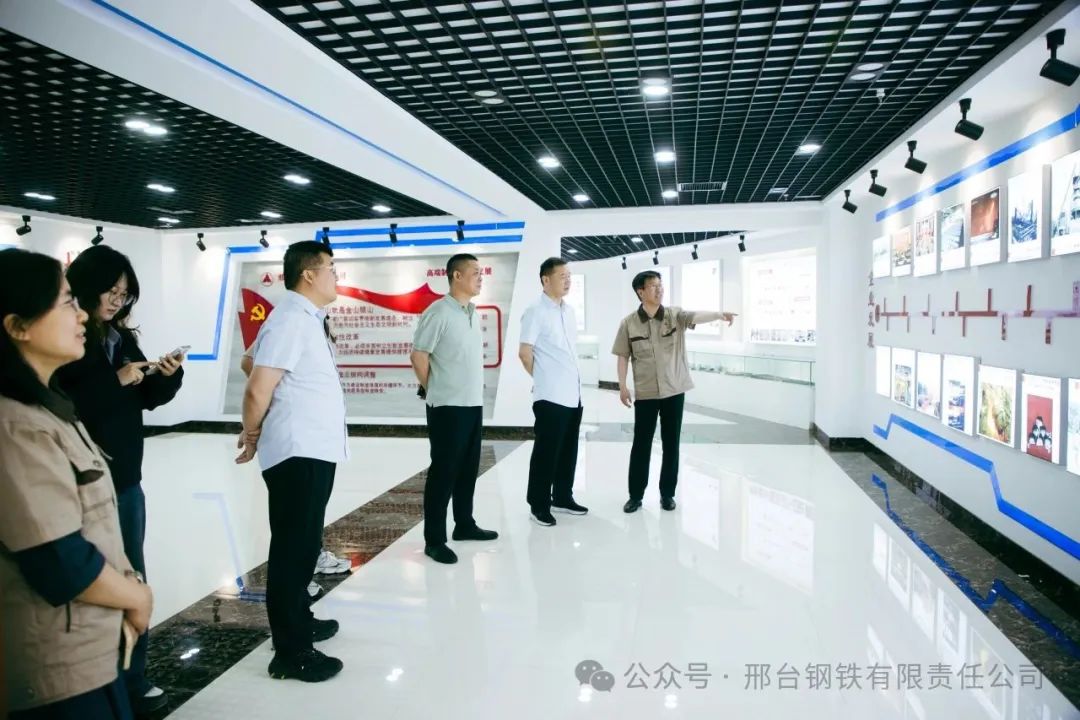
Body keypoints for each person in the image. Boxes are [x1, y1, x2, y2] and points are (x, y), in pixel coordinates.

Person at [0, 248, 154, 720]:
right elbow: (59, 560)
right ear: (18, 326)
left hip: (92, 653)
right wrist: (137, 596)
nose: (82, 314)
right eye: (67, 302)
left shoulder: (48, 408)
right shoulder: (15, 427)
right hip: (56, 668)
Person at [57, 245, 184, 716]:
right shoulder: (65, 339)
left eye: (124, 294)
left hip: (126, 477)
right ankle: (96, 681)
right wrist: (117, 381)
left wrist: (166, 376)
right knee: (92, 581)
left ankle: (132, 677)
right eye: (110, 291)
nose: (116, 300)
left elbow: (144, 397)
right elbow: (64, 404)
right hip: (80, 479)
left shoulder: (118, 336)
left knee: (132, 576)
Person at [235, 241, 346, 683]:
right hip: (299, 451)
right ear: (309, 275)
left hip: (313, 447)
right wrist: (253, 432)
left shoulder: (301, 318)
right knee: (292, 550)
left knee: (304, 545)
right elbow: (256, 387)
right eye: (332, 268)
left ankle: (301, 619)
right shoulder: (292, 321)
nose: (337, 276)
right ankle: (291, 652)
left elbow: (250, 360)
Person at [611, 270, 735, 513]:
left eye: (661, 285)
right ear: (640, 292)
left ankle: (667, 494)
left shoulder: (674, 315)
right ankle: (635, 496)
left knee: (671, 444)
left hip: (674, 390)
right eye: (653, 286)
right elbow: (623, 356)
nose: (659, 290)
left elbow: (695, 316)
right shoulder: (628, 323)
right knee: (641, 444)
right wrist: (622, 386)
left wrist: (719, 314)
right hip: (646, 392)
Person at [241, 324, 351, 598]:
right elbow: (249, 364)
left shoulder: (316, 321)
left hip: (318, 441)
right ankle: (296, 583)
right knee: (295, 523)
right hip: (297, 442)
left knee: (308, 516)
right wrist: (275, 399)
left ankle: (307, 564)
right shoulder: (290, 321)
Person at [410, 253, 499, 565]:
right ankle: (435, 540)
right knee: (443, 473)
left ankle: (464, 524)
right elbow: (419, 356)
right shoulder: (438, 312)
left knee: (468, 469)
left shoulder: (470, 312)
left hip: (472, 404)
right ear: (456, 276)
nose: (480, 277)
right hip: (447, 407)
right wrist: (433, 388)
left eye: (481, 272)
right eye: (475, 272)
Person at [518, 257, 587, 527]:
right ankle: (538, 505)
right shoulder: (535, 311)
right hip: (550, 396)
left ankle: (562, 497)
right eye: (562, 276)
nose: (568, 281)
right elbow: (524, 353)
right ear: (545, 280)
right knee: (546, 453)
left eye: (569, 276)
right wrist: (544, 378)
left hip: (573, 394)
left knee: (568, 450)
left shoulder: (568, 311)